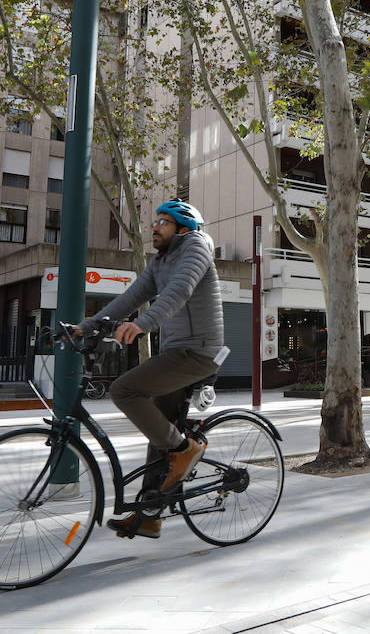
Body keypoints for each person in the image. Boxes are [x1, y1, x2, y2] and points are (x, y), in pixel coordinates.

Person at [77, 200, 224, 539]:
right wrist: (86, 326)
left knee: (125, 391)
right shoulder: (160, 261)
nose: (154, 227)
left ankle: (186, 450)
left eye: (163, 222)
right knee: (160, 432)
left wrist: (144, 323)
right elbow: (130, 297)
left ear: (183, 227)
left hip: (199, 351)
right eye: (154, 222)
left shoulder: (196, 247)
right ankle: (149, 513)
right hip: (175, 352)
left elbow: (179, 291)